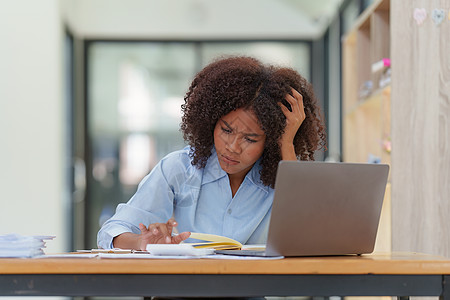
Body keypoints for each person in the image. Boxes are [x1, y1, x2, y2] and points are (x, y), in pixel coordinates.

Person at [97, 55, 326, 251]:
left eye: (250, 138)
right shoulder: (179, 169)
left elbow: (312, 235)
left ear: (269, 141)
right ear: (211, 122)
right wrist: (141, 242)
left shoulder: (281, 178)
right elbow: (111, 232)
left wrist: (286, 144)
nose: (233, 147)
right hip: (184, 291)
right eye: (226, 130)